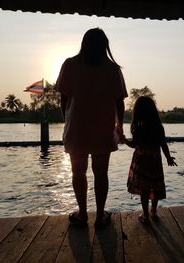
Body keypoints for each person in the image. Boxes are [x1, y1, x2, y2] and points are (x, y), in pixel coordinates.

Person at [56, 28, 127, 227]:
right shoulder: (113, 69)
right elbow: (119, 101)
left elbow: (64, 98)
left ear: (84, 43)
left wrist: (67, 120)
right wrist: (119, 126)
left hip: (77, 128)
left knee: (78, 173)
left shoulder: (70, 65)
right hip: (103, 128)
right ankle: (100, 215)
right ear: (105, 46)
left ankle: (83, 214)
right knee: (101, 173)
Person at [123, 96, 177, 224]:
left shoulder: (139, 127)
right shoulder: (159, 127)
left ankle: (145, 215)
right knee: (155, 186)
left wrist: (123, 139)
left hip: (142, 162)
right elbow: (163, 144)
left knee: (144, 189)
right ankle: (154, 211)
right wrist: (168, 158)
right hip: (155, 161)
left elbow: (133, 145)